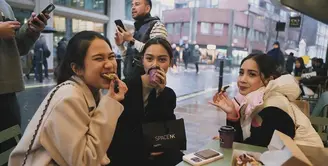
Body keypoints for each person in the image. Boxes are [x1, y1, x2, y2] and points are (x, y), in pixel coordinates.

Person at [9, 31, 128, 165]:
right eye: (99, 59)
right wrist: (110, 103)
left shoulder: (94, 92)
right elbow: (84, 161)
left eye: (111, 57)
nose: (109, 65)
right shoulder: (68, 98)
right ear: (77, 69)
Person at [210, 53, 323, 148]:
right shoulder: (251, 101)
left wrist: (230, 141)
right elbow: (246, 143)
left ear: (269, 79)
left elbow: (253, 150)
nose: (242, 80)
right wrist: (232, 113)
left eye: (252, 74)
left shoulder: (273, 106)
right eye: (241, 73)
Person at [107, 37, 183, 166]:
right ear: (142, 61)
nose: (155, 64)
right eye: (149, 58)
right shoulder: (125, 88)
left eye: (162, 59)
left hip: (158, 156)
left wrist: (161, 94)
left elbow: (167, 132)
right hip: (127, 155)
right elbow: (119, 133)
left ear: (170, 63)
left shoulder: (168, 94)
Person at [0, 0, 50, 162]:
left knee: (9, 150)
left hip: (7, 90)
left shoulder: (4, 5)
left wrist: (30, 31)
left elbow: (17, 47)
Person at [115, 0, 167, 80]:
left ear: (147, 8)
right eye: (132, 5)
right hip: (130, 82)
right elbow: (129, 59)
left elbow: (157, 53)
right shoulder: (137, 29)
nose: (133, 7)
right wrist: (120, 45)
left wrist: (132, 40)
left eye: (137, 4)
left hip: (147, 84)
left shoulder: (157, 26)